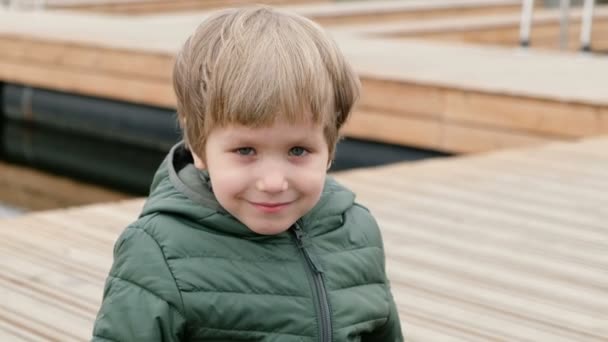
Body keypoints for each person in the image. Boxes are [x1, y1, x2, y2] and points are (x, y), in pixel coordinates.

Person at [91, 5, 403, 342]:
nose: (273, 183)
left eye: (298, 151)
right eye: (245, 151)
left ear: (329, 150)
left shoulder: (357, 232)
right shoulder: (156, 253)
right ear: (199, 147)